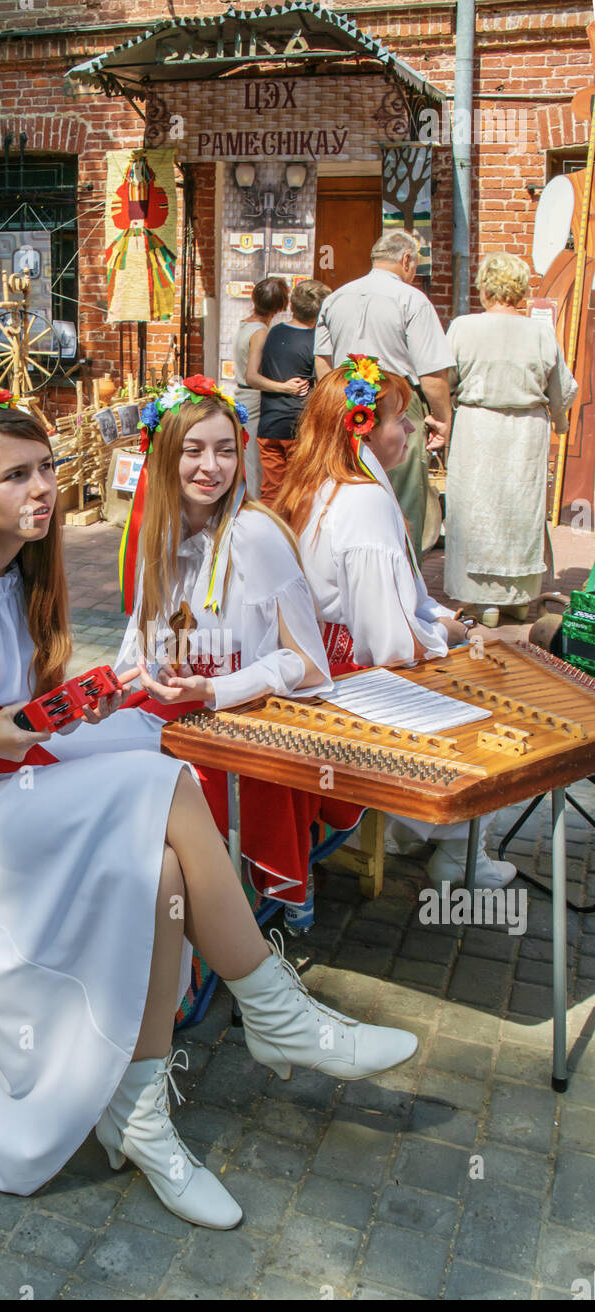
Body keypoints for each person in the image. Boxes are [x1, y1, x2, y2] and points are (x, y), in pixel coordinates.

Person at [0, 388, 416, 1230]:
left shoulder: (17, 573)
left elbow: (20, 712)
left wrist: (70, 707)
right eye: (16, 476)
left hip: (0, 791)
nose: (43, 489)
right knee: (163, 784)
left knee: (157, 858)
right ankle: (274, 1011)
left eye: (47, 468)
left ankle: (144, 1117)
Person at [116, 375, 362, 930]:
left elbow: (305, 663)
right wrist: (120, 684)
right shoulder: (159, 532)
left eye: (225, 450)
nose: (212, 467)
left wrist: (215, 689)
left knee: (175, 785)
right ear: (163, 457)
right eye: (194, 450)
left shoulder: (256, 535)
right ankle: (162, 921)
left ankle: (224, 924)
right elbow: (145, 640)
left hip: (248, 715)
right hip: (183, 708)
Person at [276, 356, 517, 891]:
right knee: (496, 717)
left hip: (325, 666)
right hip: (348, 681)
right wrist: (454, 635)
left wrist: (451, 619)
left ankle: (423, 833)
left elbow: (396, 598)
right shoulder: (363, 501)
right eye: (398, 418)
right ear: (361, 427)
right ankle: (454, 849)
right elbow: (387, 643)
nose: (411, 427)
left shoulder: (321, 481)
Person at [444, 251, 578, 627]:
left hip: (478, 427)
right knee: (519, 509)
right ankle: (519, 599)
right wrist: (560, 422)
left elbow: (446, 381)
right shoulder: (539, 331)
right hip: (525, 431)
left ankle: (481, 600)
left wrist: (441, 418)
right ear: (519, 289)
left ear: (486, 287)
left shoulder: (463, 327)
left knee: (478, 509)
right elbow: (560, 390)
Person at [314, 231, 454, 562]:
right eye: (414, 264)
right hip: (397, 402)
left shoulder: (335, 298)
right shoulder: (412, 299)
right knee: (403, 496)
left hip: (347, 401)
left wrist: (334, 401)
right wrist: (443, 420)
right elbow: (432, 374)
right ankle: (404, 580)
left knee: (346, 485)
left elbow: (322, 362)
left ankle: (346, 565)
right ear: (406, 259)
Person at [248, 279, 328, 506]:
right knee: (299, 491)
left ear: (292, 306)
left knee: (271, 491)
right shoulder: (315, 343)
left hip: (270, 424)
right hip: (299, 426)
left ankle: (269, 534)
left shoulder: (273, 332)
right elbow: (323, 384)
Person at [232, 276, 291, 498]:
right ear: (279, 306)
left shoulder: (245, 324)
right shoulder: (260, 333)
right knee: (254, 465)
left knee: (248, 462)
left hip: (242, 397)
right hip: (254, 399)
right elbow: (253, 377)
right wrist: (285, 388)